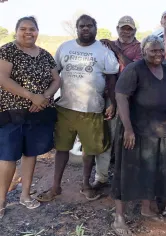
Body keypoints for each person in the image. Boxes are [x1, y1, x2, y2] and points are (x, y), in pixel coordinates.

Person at [36, 14, 119, 202]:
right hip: (66, 108)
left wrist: (112, 102)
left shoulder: (104, 51)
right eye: (82, 26)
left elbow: (112, 78)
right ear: (77, 28)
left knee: (89, 150)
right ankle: (55, 187)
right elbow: (54, 73)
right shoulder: (65, 48)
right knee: (62, 148)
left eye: (90, 25)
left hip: (92, 109)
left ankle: (85, 184)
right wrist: (45, 96)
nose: (86, 29)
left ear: (96, 28)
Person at [111, 35, 166, 236]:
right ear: (143, 52)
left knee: (154, 171)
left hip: (161, 130)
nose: (157, 54)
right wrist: (128, 128)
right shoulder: (134, 70)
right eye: (152, 50)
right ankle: (119, 217)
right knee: (126, 172)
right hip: (137, 130)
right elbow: (121, 95)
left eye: (160, 50)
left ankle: (147, 209)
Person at [0, 16, 60, 219]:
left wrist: (43, 97)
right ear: (16, 31)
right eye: (23, 29)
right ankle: (1, 200)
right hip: (12, 113)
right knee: (8, 156)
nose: (28, 32)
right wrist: (32, 96)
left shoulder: (44, 54)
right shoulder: (8, 50)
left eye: (32, 29)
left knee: (31, 153)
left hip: (38, 112)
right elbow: (3, 79)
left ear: (37, 31)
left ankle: (25, 195)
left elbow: (56, 79)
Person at [92, 15, 143, 189]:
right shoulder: (105, 46)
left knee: (130, 137)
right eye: (123, 28)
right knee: (107, 136)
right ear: (117, 29)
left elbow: (131, 68)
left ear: (134, 31)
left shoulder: (139, 48)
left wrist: (116, 50)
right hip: (110, 98)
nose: (126, 31)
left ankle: (128, 178)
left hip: (132, 98)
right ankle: (101, 177)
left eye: (129, 28)